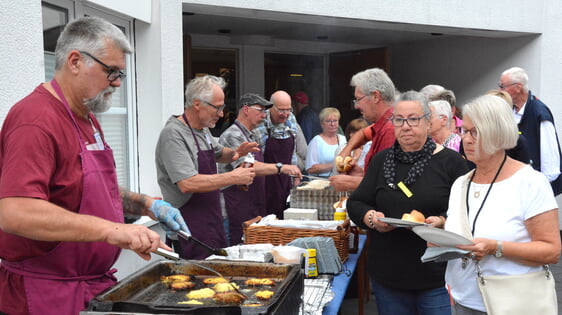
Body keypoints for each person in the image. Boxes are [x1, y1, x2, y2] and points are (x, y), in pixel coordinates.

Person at [0, 17, 189, 315]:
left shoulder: (87, 118)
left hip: (91, 289)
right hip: (45, 296)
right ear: (75, 61)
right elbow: (16, 213)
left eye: (121, 75)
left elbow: (94, 190)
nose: (116, 82)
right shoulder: (34, 120)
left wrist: (148, 205)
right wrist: (111, 230)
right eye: (111, 71)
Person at [347, 91, 468, 315]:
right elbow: (356, 203)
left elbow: (468, 213)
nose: (405, 126)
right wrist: (372, 219)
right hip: (389, 274)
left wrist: (442, 220)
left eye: (413, 119)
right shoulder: (382, 160)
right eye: (399, 120)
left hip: (436, 276)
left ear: (428, 121)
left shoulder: (452, 164)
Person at [444, 94, 560, 314]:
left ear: (497, 135)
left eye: (475, 132)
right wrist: (440, 239)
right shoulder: (461, 183)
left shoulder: (530, 182)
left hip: (512, 303)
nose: (465, 140)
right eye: (464, 131)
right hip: (462, 299)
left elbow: (551, 251)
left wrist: (495, 247)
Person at [155, 75, 258, 259]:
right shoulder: (173, 134)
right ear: (196, 104)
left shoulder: (202, 129)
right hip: (187, 228)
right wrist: (234, 177)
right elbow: (187, 183)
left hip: (211, 222)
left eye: (222, 107)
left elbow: (218, 153)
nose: (221, 114)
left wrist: (237, 152)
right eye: (217, 108)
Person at [219, 93, 302, 245]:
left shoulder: (251, 136)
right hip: (235, 209)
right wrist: (281, 167)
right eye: (261, 111)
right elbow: (247, 168)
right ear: (246, 109)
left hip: (254, 206)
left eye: (265, 112)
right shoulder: (233, 135)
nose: (264, 116)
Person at [329, 68, 397, 192]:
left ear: (376, 96)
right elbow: (363, 134)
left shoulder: (390, 130)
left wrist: (354, 182)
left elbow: (389, 185)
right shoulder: (383, 123)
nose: (356, 106)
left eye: (359, 99)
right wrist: (346, 151)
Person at [499, 66, 562, 195]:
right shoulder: (509, 110)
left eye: (503, 86)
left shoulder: (539, 113)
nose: (500, 90)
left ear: (518, 87)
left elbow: (550, 163)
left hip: (533, 189)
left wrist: (540, 188)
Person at [254, 90, 307, 218]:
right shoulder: (260, 122)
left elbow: (293, 151)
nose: (285, 114)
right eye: (281, 110)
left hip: (286, 181)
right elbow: (256, 157)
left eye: (289, 110)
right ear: (270, 107)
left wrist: (295, 175)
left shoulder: (291, 119)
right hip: (265, 182)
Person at [305, 107, 347, 178]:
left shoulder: (344, 139)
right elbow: (310, 169)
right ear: (322, 124)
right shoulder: (316, 141)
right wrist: (335, 166)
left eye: (335, 120)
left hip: (341, 179)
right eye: (328, 121)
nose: (332, 124)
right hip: (321, 182)